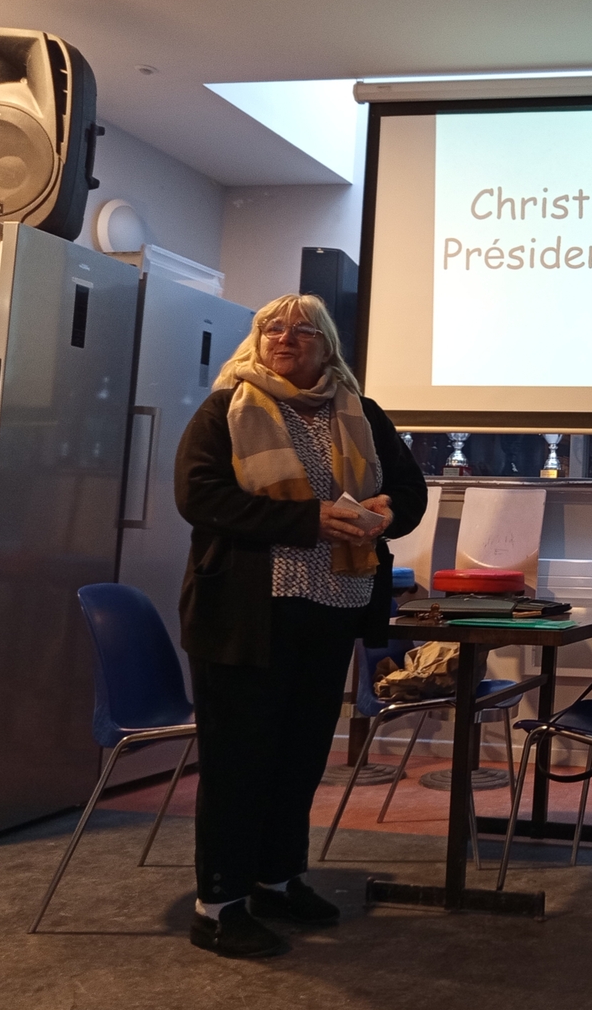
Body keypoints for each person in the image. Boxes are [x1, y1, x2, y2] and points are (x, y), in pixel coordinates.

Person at [174, 293, 426, 958]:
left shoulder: (362, 412)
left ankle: (277, 881)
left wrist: (386, 511)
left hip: (333, 608)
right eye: (273, 328)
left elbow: (411, 492)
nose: (286, 336)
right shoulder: (226, 408)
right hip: (245, 615)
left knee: (300, 757)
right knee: (239, 762)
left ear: (327, 347)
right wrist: (307, 520)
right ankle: (217, 906)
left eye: (304, 329)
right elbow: (199, 496)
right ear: (257, 341)